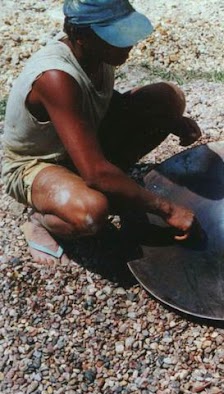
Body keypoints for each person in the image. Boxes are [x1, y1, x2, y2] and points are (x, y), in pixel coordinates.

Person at [1, 0, 202, 266]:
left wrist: (169, 120)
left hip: (77, 145)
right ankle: (39, 220)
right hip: (36, 164)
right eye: (116, 38)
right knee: (92, 212)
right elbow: (95, 174)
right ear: (82, 37)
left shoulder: (98, 55)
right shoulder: (55, 78)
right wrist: (167, 208)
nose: (128, 44)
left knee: (167, 99)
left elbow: (102, 101)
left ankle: (114, 186)